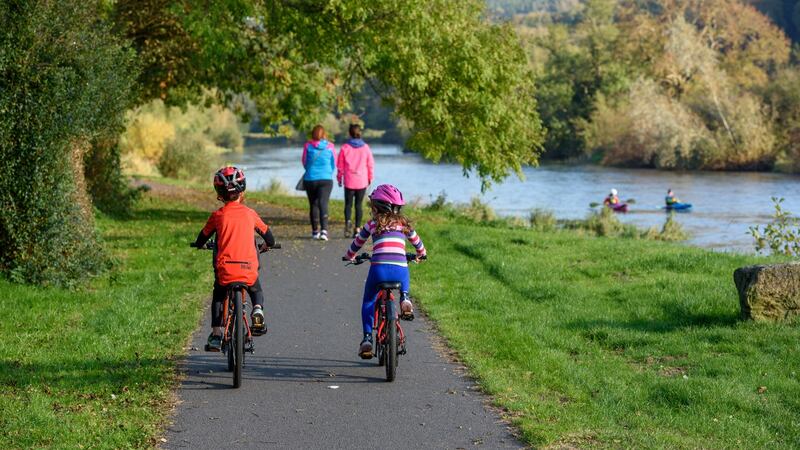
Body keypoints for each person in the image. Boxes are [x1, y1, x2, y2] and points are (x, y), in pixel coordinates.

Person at [193, 166, 275, 351]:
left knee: (218, 294)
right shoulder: (250, 214)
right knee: (255, 287)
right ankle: (257, 309)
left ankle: (216, 334)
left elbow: (202, 237)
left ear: (219, 194)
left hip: (226, 270)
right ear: (242, 191)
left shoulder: (217, 216)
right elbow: (270, 238)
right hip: (248, 268)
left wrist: (199, 244)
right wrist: (267, 245)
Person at [343, 184, 426, 359]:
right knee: (404, 272)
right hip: (399, 270)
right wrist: (421, 254)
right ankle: (405, 298)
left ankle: (367, 339)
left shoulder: (372, 224)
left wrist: (350, 256)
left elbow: (357, 244)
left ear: (376, 208)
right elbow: (418, 243)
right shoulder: (403, 224)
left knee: (368, 300)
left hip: (379, 269)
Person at [337, 124, 374, 238]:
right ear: (359, 133)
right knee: (358, 205)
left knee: (348, 204)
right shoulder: (366, 148)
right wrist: (370, 178)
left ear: (349, 133)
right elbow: (370, 165)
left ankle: (347, 223)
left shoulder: (345, 147)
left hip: (349, 180)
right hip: (361, 181)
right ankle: (357, 228)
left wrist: (339, 178)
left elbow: (340, 166)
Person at [302, 125, 336, 241]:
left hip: (310, 179)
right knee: (323, 203)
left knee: (313, 204)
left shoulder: (307, 145)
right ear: (324, 134)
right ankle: (324, 231)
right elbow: (333, 163)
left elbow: (304, 162)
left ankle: (315, 232)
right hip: (326, 179)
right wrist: (328, 173)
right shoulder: (330, 146)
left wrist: (311, 170)